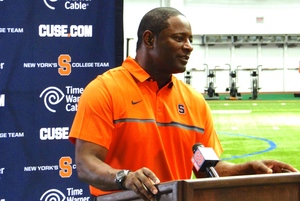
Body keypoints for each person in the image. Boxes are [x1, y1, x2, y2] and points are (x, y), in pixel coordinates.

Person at [69, 7, 298, 201]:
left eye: (190, 39)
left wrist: (247, 169)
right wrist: (125, 177)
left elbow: (206, 169)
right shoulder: (104, 89)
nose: (189, 46)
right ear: (149, 39)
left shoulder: (193, 100)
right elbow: (86, 162)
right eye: (179, 38)